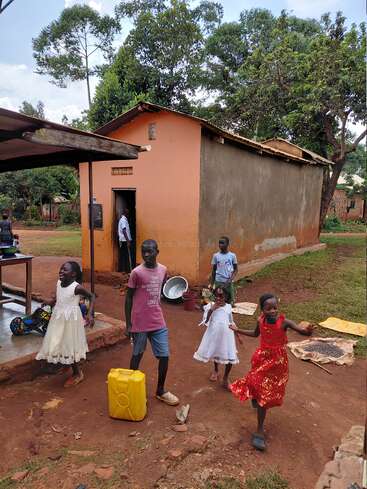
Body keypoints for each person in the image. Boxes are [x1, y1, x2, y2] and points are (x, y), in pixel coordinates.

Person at [230, 293, 313, 451]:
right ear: (262, 310)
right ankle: (259, 429)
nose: (273, 311)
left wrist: (307, 332)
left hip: (277, 364)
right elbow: (255, 334)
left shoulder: (284, 322)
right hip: (262, 358)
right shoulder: (260, 321)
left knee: (266, 392)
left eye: (275, 307)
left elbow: (300, 330)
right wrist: (237, 329)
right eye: (269, 309)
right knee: (257, 383)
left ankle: (258, 407)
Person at [125, 239, 179, 406]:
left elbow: (162, 290)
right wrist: (129, 324)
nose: (146, 255)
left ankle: (160, 390)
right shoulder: (136, 273)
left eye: (150, 251)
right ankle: (131, 390)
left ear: (157, 251)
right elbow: (128, 298)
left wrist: (175, 295)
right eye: (143, 252)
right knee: (137, 356)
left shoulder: (163, 270)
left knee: (164, 356)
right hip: (140, 323)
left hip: (157, 321)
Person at [36, 261, 95, 387]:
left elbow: (92, 296)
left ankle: (77, 373)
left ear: (73, 274)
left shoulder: (76, 287)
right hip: (58, 317)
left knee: (69, 344)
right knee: (58, 341)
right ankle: (66, 364)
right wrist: (48, 302)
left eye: (65, 270)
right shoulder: (59, 283)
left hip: (70, 320)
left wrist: (89, 314)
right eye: (61, 269)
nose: (61, 271)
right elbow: (57, 299)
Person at [193, 287, 239, 389]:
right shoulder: (210, 306)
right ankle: (216, 370)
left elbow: (231, 322)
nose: (218, 298)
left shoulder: (228, 307)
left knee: (230, 356)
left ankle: (226, 378)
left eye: (221, 296)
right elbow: (205, 322)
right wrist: (211, 310)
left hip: (227, 336)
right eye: (216, 296)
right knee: (216, 353)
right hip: (215, 335)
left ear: (226, 297)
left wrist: (237, 334)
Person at [210, 236, 238, 306]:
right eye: (219, 243)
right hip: (218, 281)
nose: (220, 245)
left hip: (228, 282)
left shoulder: (232, 256)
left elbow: (236, 270)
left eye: (222, 243)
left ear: (227, 244)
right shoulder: (216, 256)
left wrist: (230, 279)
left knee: (230, 301)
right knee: (218, 300)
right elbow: (213, 270)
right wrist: (212, 283)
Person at [118, 208, 132, 273]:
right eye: (128, 213)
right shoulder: (123, 220)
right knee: (125, 255)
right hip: (124, 240)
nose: (128, 214)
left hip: (123, 240)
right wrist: (128, 241)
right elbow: (124, 230)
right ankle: (125, 270)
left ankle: (124, 269)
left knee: (124, 254)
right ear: (125, 213)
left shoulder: (123, 220)